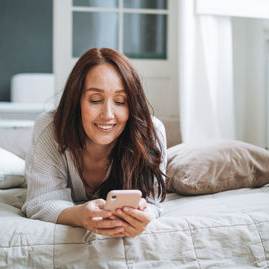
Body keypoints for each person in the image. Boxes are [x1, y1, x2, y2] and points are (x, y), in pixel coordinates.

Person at [22, 48, 167, 238]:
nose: (107, 114)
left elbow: (154, 202)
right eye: (95, 99)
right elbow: (40, 201)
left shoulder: (152, 132)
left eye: (120, 101)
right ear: (76, 101)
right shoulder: (50, 128)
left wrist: (144, 214)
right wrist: (79, 215)